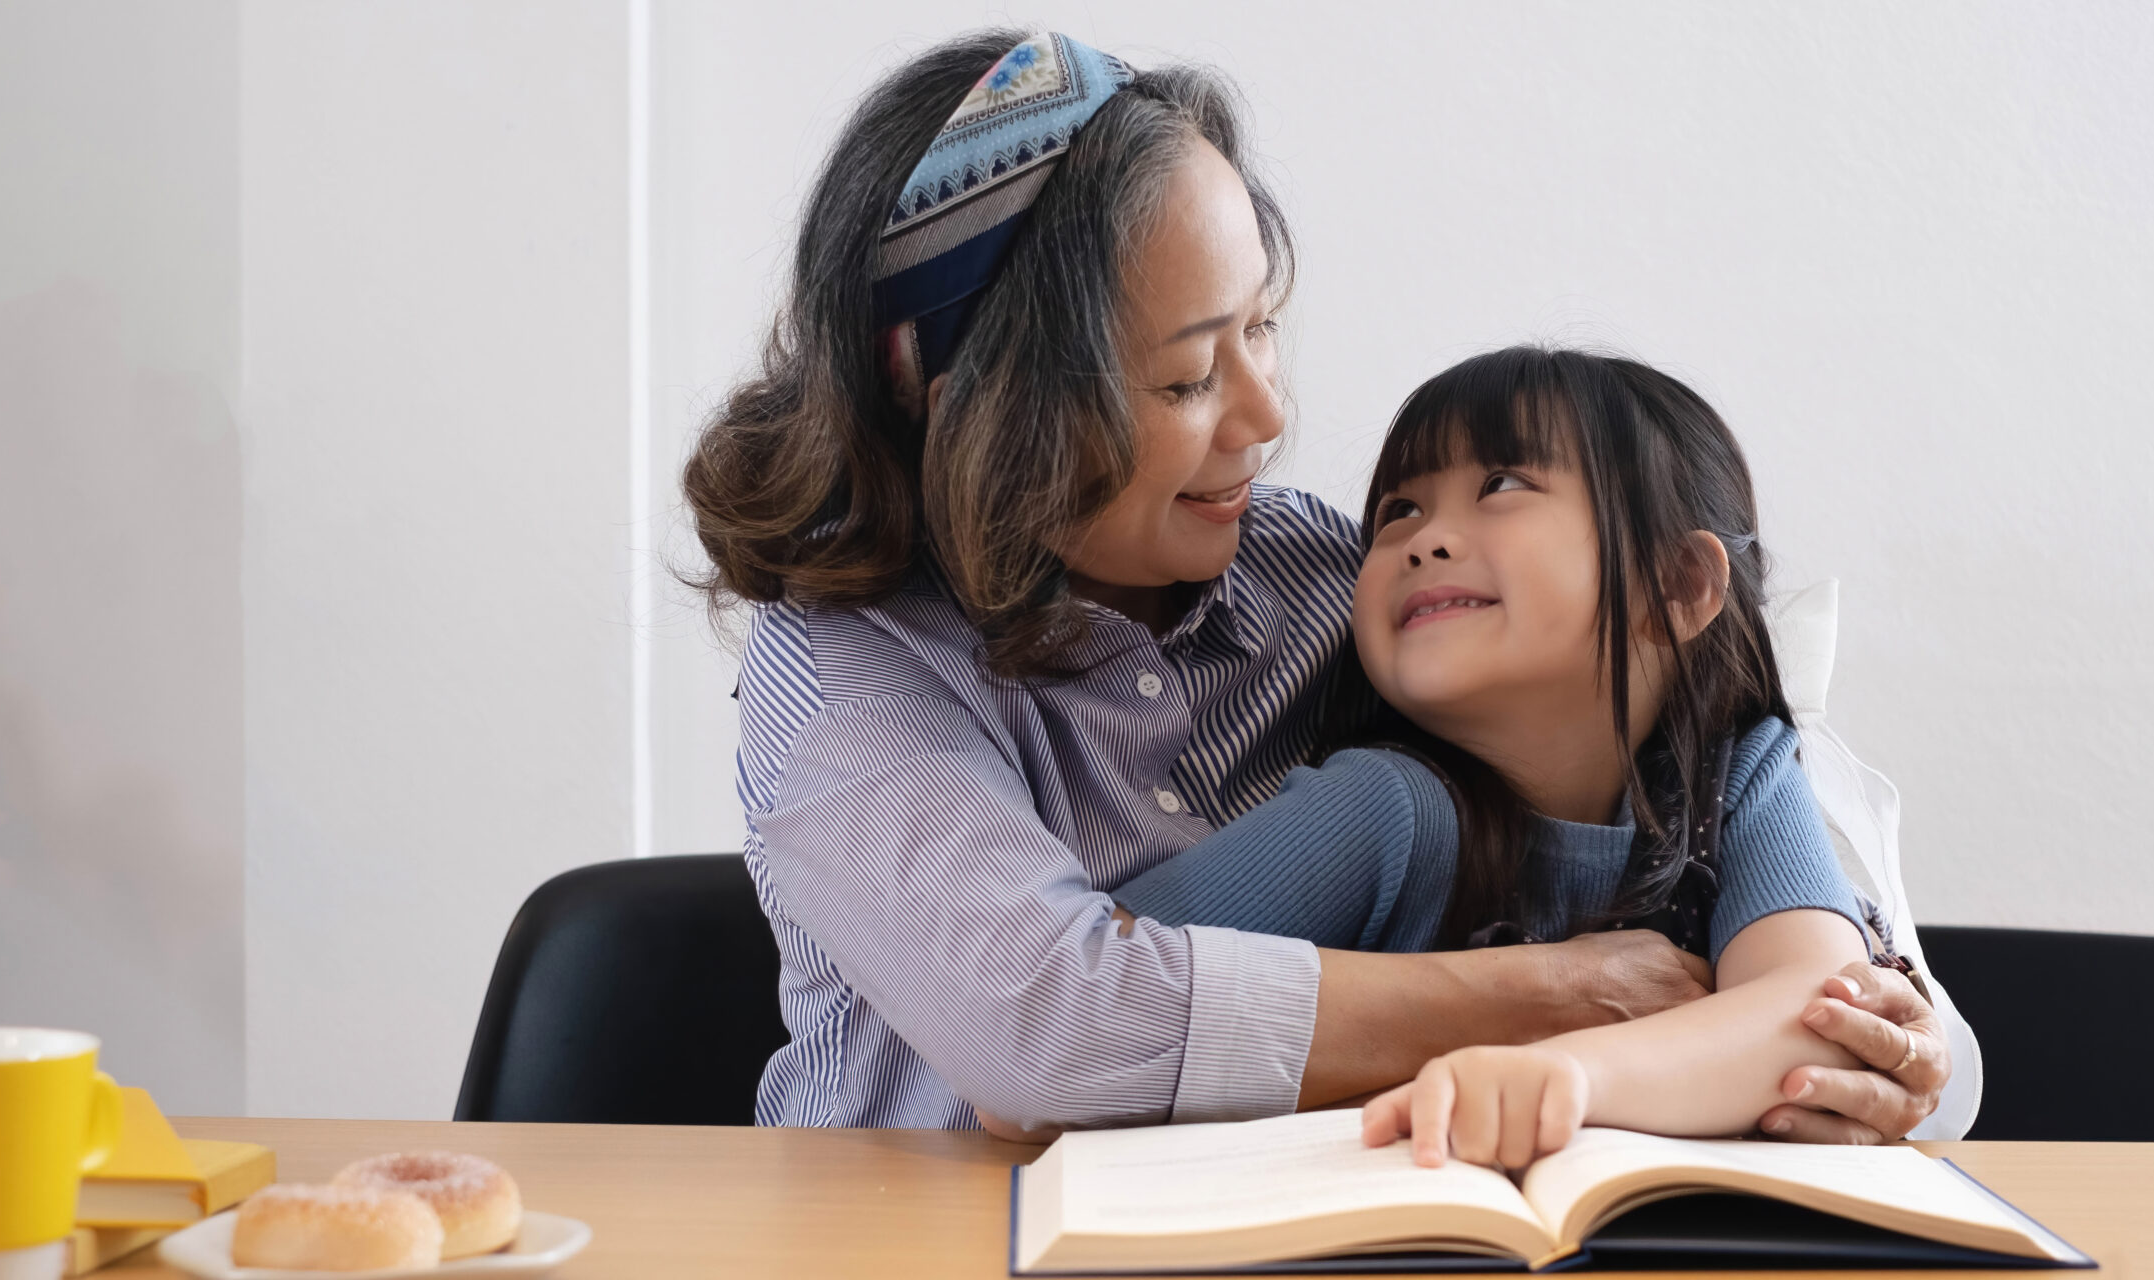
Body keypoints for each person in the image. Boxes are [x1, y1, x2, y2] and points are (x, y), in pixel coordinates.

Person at [683, 29, 1949, 1140]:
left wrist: (1899, 1036)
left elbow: (1690, 729)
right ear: (979, 415)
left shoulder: (1320, 573)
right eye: (1185, 381)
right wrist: (1549, 999)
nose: (1267, 416)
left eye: (1262, 326)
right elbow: (1052, 1035)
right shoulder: (846, 666)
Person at [1111, 346, 1919, 1165]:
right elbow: (1104, 989)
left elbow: (1815, 1014)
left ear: (1676, 586)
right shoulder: (1379, 808)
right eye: (1398, 511)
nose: (1423, 541)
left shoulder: (1738, 779)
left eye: (1501, 486)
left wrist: (1566, 1077)